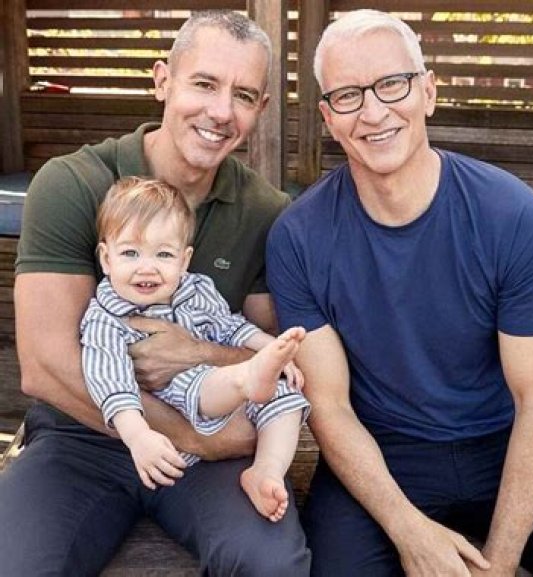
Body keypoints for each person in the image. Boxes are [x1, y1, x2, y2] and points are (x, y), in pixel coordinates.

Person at [266, 9, 533, 577]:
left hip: (502, 446)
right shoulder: (298, 236)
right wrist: (410, 531)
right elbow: (332, 409)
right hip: (381, 453)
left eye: (392, 84)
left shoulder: (510, 214)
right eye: (348, 95)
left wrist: (501, 563)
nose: (373, 111)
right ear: (328, 117)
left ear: (429, 91)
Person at [1, 10, 311, 576]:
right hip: (84, 433)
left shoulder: (265, 211)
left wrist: (198, 355)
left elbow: (267, 351)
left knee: (269, 564)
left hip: (208, 433)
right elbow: (44, 367)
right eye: (204, 83)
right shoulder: (73, 183)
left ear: (262, 108)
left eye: (243, 95)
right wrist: (185, 435)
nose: (221, 111)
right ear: (162, 79)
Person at [82, 176, 310, 522]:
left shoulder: (197, 290)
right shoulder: (106, 317)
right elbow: (112, 386)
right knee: (201, 382)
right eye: (130, 253)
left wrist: (270, 346)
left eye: (164, 254)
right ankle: (247, 377)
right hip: (173, 409)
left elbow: (228, 326)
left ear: (184, 260)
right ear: (106, 258)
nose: (147, 267)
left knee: (286, 399)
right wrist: (138, 435)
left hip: (225, 401)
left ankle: (266, 470)